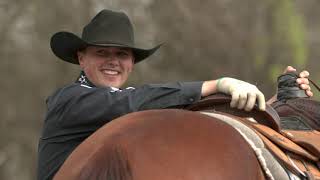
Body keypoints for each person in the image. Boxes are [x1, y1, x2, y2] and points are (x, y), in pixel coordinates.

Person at [37, 9, 313, 180]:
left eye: (121, 54)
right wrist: (215, 84)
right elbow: (131, 101)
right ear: (81, 58)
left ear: (132, 63)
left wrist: (274, 103)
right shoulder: (67, 99)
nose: (113, 61)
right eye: (102, 53)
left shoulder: (124, 106)